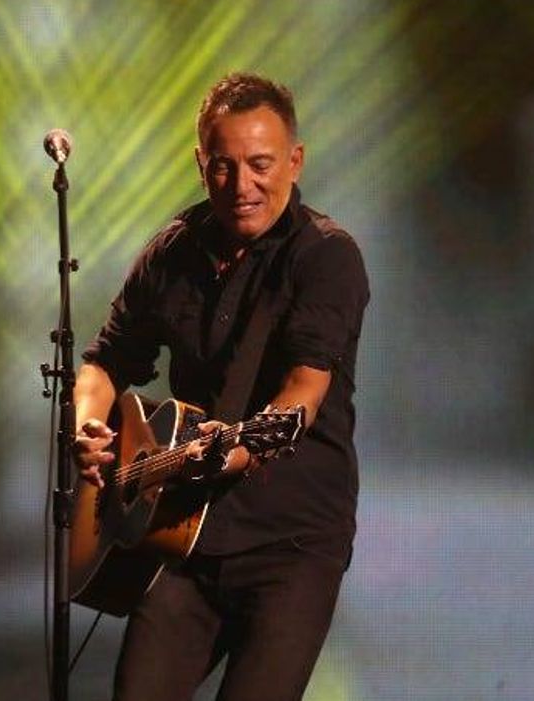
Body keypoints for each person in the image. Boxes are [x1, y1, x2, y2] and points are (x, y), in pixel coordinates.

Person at [73, 72, 369, 701]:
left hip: (291, 545)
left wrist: (236, 448)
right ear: (200, 163)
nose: (242, 186)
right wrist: (91, 429)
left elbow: (302, 393)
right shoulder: (170, 254)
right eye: (223, 167)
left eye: (260, 165)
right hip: (182, 545)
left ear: (295, 160)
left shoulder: (326, 257)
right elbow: (104, 362)